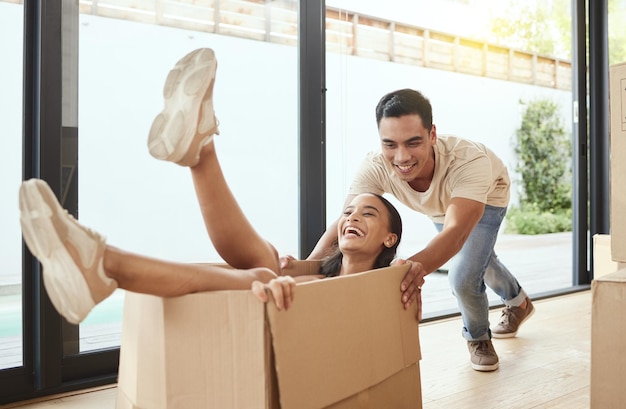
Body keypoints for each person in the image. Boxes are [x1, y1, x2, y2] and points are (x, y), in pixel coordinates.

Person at [18, 48, 405, 326]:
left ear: (390, 240)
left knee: (266, 275)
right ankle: (201, 151)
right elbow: (309, 263)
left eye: (368, 213)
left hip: (315, 336)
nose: (352, 216)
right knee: (269, 259)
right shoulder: (323, 271)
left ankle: (104, 262)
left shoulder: (389, 281)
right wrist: (291, 268)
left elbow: (404, 274)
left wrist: (405, 271)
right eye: (349, 212)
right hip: (286, 309)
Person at [306, 88, 534, 372]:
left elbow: (455, 234)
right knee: (479, 260)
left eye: (413, 143)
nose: (401, 157)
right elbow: (343, 221)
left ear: (432, 135)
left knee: (464, 274)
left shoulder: (469, 161)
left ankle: (478, 336)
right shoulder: (375, 165)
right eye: (390, 144)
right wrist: (307, 268)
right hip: (441, 206)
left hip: (484, 198)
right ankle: (519, 302)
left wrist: (412, 268)